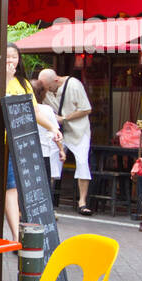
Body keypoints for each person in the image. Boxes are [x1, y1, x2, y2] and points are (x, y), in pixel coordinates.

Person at [0, 43, 63, 241]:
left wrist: (52, 128)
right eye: (6, 56)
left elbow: (34, 111)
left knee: (2, 186)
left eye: (14, 57)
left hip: (19, 141)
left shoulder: (24, 83)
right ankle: (17, 238)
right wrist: (5, 81)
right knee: (11, 187)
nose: (10, 60)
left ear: (19, 60)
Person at [37, 67, 93, 215]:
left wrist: (65, 118)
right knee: (52, 161)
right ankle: (48, 199)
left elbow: (86, 109)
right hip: (58, 131)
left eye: (48, 87)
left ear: (56, 80)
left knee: (81, 162)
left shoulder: (74, 85)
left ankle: (82, 202)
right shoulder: (46, 90)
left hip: (78, 130)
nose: (47, 91)